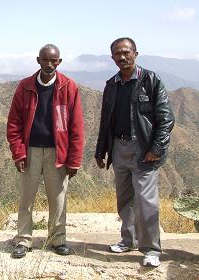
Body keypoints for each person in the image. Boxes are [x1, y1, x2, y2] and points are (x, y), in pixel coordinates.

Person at [95, 37, 175, 267]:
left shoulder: (151, 80)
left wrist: (156, 149)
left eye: (126, 53)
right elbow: (105, 121)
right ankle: (127, 239)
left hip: (144, 150)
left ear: (135, 53)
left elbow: (166, 118)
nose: (122, 57)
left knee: (146, 202)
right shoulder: (112, 84)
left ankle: (150, 249)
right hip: (119, 148)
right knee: (125, 199)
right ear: (112, 58)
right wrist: (101, 150)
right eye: (117, 54)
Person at [6, 44, 84, 258]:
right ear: (38, 60)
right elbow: (14, 123)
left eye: (53, 60)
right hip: (30, 151)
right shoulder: (26, 87)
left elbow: (77, 127)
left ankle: (57, 239)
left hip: (57, 152)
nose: (49, 64)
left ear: (59, 62)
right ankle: (23, 240)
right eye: (45, 60)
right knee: (26, 198)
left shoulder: (68, 87)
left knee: (58, 198)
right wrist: (18, 153)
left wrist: (74, 159)